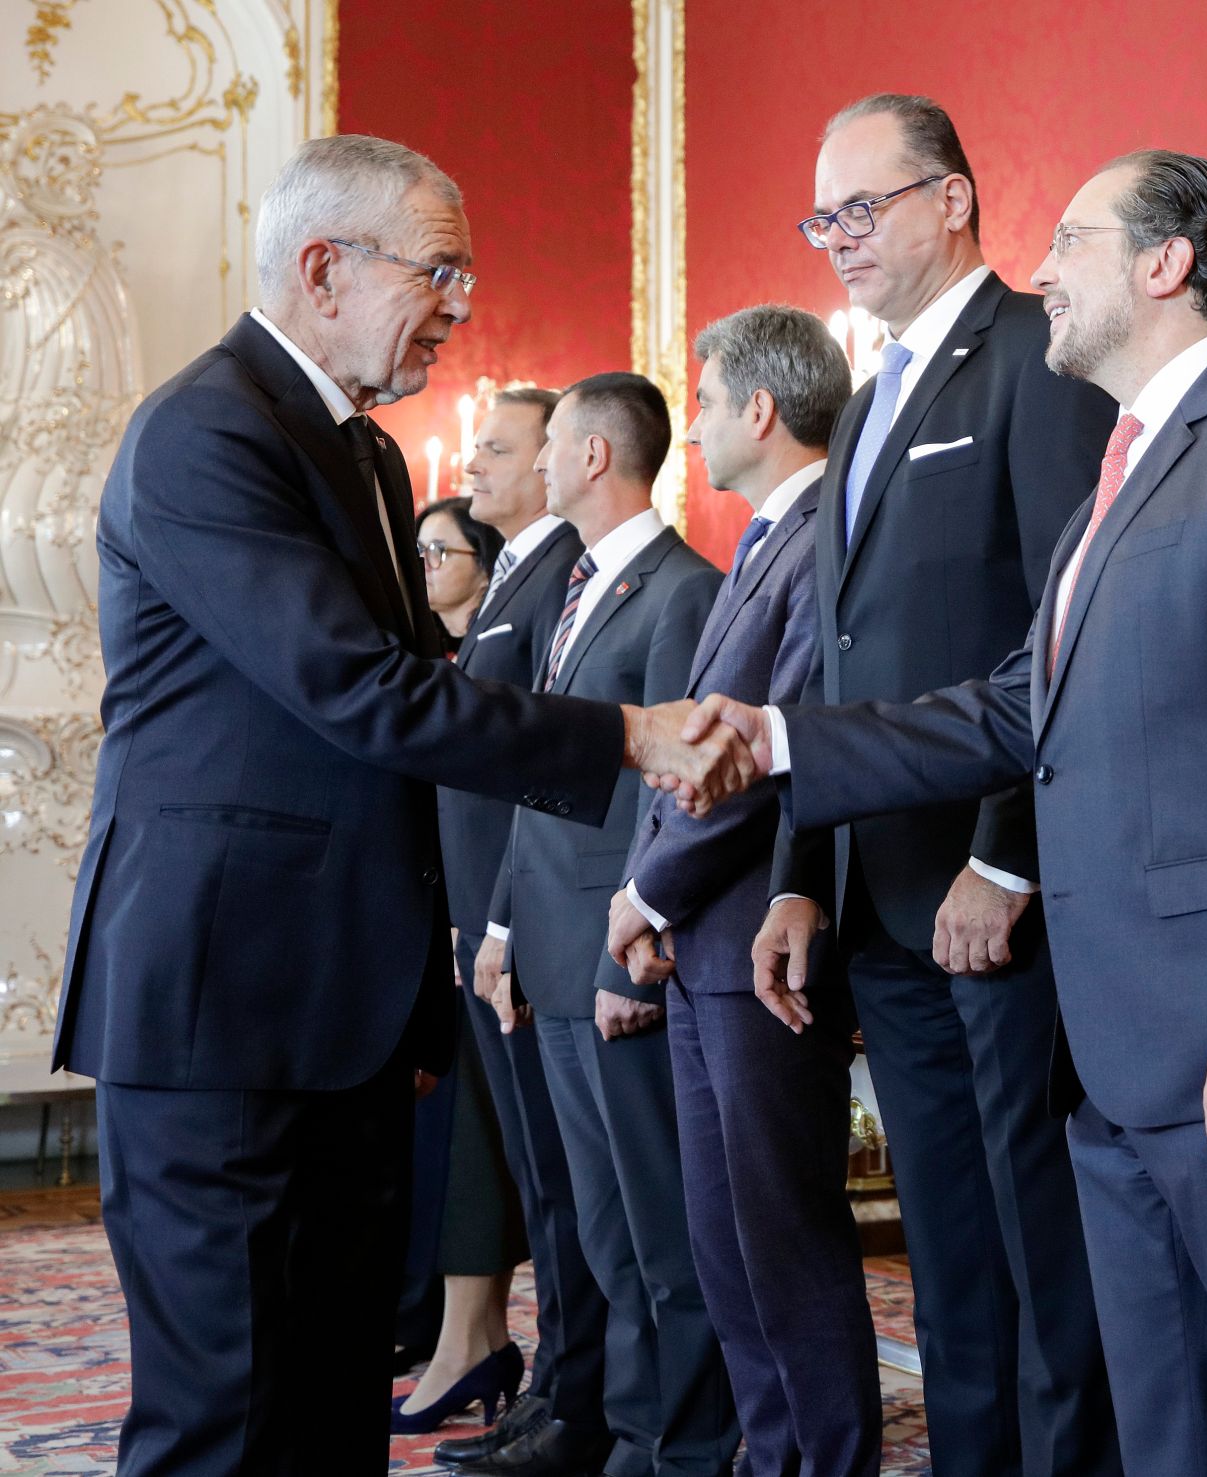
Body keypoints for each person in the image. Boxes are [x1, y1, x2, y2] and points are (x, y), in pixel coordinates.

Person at [672, 148, 1207, 1477]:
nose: (1039, 271)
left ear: (1164, 263)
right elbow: (1011, 709)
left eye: (1072, 242)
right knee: (1169, 1439)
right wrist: (781, 739)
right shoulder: (1120, 474)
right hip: (1112, 1056)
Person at [51, 134, 751, 1477]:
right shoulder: (207, 431)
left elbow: (415, 691)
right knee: (220, 1421)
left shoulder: (364, 456)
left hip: (339, 1014)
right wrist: (627, 733)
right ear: (324, 267)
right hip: (220, 1006)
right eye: (440, 271)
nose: (460, 306)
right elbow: (363, 692)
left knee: (327, 1408)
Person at [764, 93, 1120, 1477]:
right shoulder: (864, 402)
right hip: (879, 899)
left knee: (1042, 1249)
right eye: (824, 218)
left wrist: (1004, 854)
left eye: (863, 207)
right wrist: (802, 873)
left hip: (994, 901)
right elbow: (831, 662)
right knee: (948, 1257)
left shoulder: (1037, 352)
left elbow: (1061, 628)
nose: (839, 238)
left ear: (954, 199)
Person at [610, 305, 882, 1476]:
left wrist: (646, 893)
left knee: (781, 1239)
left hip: (760, 944)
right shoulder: (765, 538)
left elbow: (765, 758)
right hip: (705, 949)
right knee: (726, 1245)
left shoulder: (821, 536)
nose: (693, 429)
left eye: (706, 403)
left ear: (760, 410)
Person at [474, 373, 732, 1477]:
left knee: (658, 1223)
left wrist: (635, 956)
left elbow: (680, 793)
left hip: (618, 956)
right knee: (603, 1226)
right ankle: (634, 1427)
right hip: (552, 944)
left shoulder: (684, 591)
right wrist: (503, 926)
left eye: (550, 448)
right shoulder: (577, 587)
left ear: (591, 456)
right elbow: (542, 779)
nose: (535, 465)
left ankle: (685, 1442)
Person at [431, 389, 612, 1471]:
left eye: (495, 449)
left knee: (563, 1173)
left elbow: (546, 767)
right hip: (486, 918)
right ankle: (555, 1379)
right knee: (537, 1176)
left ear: (556, 458)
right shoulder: (516, 573)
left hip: (529, 920)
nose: (472, 466)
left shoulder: (560, 577)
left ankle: (579, 1392)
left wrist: (504, 919)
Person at [393, 491, 525, 1427]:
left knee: (479, 1140)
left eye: (440, 551)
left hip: (494, 926)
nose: (424, 566)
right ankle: (450, 1331)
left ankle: (471, 1339)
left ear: (484, 564)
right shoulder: (433, 657)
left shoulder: (503, 641)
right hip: (448, 927)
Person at [416, 495, 502, 654]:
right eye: (419, 549)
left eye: (436, 550)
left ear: (484, 565)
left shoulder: (495, 648)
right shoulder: (418, 645)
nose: (422, 562)